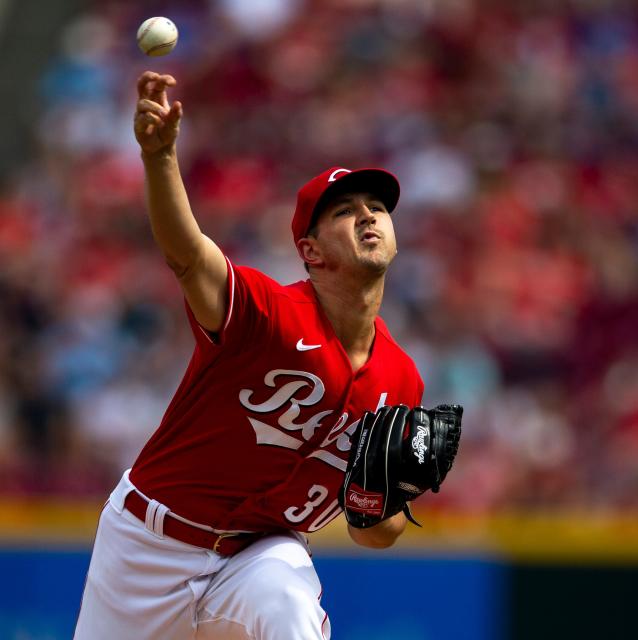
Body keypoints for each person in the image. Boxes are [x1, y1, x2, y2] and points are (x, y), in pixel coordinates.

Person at [74, 71, 435, 640]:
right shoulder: (268, 313)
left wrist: (379, 499)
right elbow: (190, 258)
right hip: (150, 544)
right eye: (344, 211)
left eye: (376, 207)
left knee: (288, 608)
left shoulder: (404, 382)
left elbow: (376, 532)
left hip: (261, 554)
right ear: (310, 251)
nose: (367, 215)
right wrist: (161, 158)